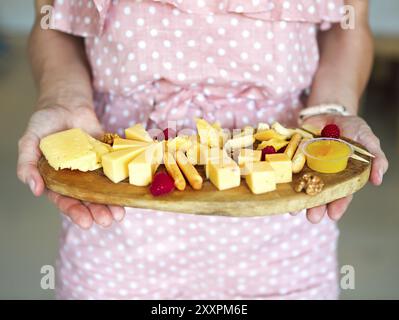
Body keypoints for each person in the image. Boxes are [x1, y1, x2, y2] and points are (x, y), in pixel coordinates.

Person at [17, 0, 388, 299]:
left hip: (283, 218)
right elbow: (53, 20)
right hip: (116, 213)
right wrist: (63, 97)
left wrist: (332, 110)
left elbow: (349, 23)